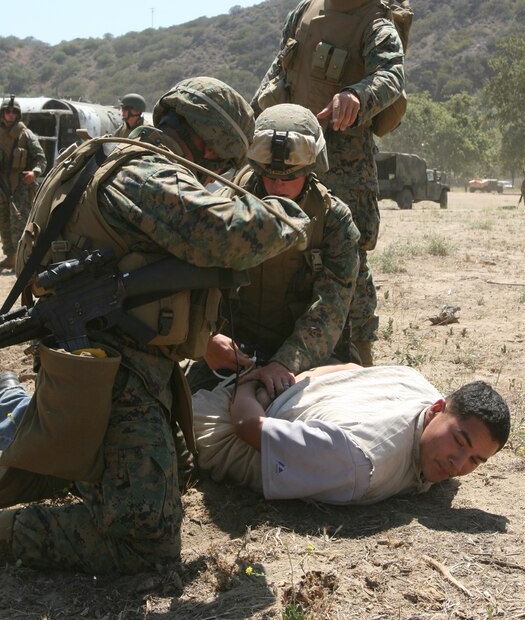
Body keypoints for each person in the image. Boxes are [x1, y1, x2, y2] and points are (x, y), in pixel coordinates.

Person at [0, 76, 311, 574]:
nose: (217, 176)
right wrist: (289, 212)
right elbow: (236, 235)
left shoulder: (108, 156)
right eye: (222, 165)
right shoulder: (143, 175)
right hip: (111, 375)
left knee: (176, 471)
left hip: (106, 362)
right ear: (208, 143)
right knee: (144, 541)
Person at [252, 0, 407, 367]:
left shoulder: (376, 22)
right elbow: (281, 68)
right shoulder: (304, 10)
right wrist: (255, 117)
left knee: (347, 253)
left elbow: (392, 75)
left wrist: (358, 96)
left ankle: (360, 355)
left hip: (345, 158)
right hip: (291, 152)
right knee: (277, 239)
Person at [186, 104, 360, 400]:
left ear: (310, 171)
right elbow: (189, 280)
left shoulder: (333, 220)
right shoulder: (225, 207)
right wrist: (204, 340)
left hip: (306, 358)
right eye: (269, 175)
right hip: (230, 356)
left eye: (289, 177)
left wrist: (284, 362)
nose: (277, 186)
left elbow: (331, 306)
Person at [193, 364, 510, 506]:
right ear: (438, 408)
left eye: (475, 461)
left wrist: (283, 381)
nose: (457, 465)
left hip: (268, 392)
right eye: (459, 441)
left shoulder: (414, 382)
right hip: (210, 427)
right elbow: (248, 428)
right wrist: (250, 380)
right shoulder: (359, 462)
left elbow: (351, 365)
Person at [0, 96, 47, 270]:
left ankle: (24, 259)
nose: (10, 114)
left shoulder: (26, 135)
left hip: (20, 186)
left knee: (20, 225)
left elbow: (41, 159)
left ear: (18, 114)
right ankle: (11, 257)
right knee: (4, 223)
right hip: (2, 186)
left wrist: (34, 173)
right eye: (7, 111)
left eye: (13, 112)